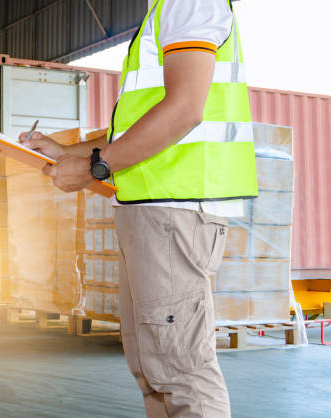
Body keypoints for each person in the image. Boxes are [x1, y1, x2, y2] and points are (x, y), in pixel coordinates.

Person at [19, 0, 258, 416]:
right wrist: (65, 153)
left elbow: (184, 110)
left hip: (176, 210)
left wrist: (95, 169)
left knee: (181, 369)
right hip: (149, 209)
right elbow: (129, 132)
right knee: (152, 369)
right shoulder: (161, 11)